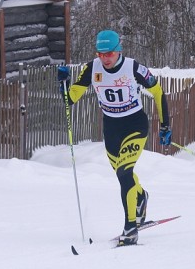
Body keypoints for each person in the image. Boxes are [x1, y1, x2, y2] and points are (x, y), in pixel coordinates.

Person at [57, 30, 171, 246]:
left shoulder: (133, 67)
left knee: (124, 171)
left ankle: (130, 228)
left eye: (109, 54)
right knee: (122, 176)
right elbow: (70, 99)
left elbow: (157, 92)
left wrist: (165, 125)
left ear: (118, 50)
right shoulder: (92, 68)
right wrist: (62, 83)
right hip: (111, 129)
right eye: (100, 54)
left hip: (134, 125)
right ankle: (140, 197)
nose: (105, 59)